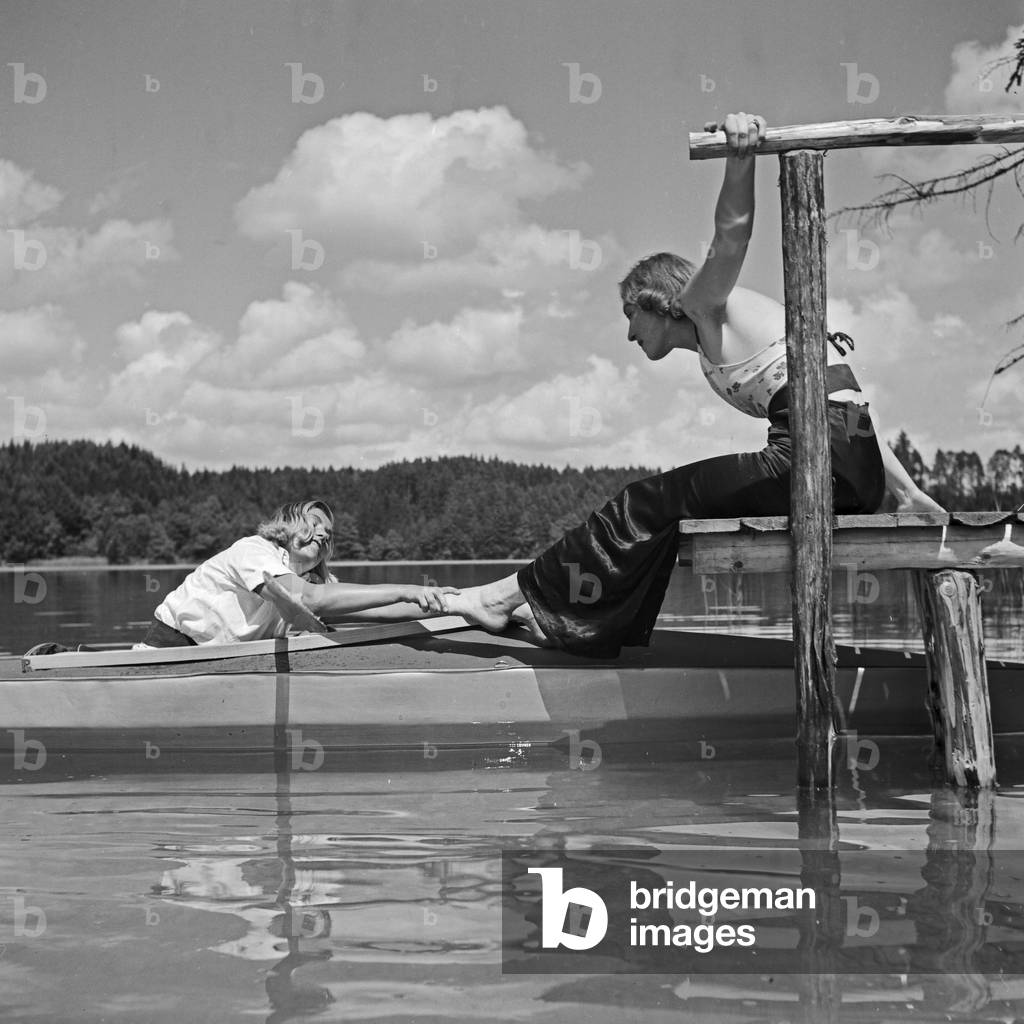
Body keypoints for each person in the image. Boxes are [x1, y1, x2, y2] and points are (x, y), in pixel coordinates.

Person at [444, 111, 943, 658]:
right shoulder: (716, 340)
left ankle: (500, 599)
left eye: (630, 314)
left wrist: (741, 155)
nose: (630, 333)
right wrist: (905, 493)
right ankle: (590, 625)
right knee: (662, 510)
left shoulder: (705, 305)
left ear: (659, 301)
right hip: (847, 472)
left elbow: (731, 240)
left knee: (645, 500)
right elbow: (853, 414)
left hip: (815, 462)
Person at [138, 499, 457, 647]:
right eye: (314, 524)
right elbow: (309, 600)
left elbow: (378, 608)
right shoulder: (254, 550)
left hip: (224, 665)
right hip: (167, 651)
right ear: (287, 525)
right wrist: (407, 589)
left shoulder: (317, 583)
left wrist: (446, 605)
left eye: (328, 533)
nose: (322, 534)